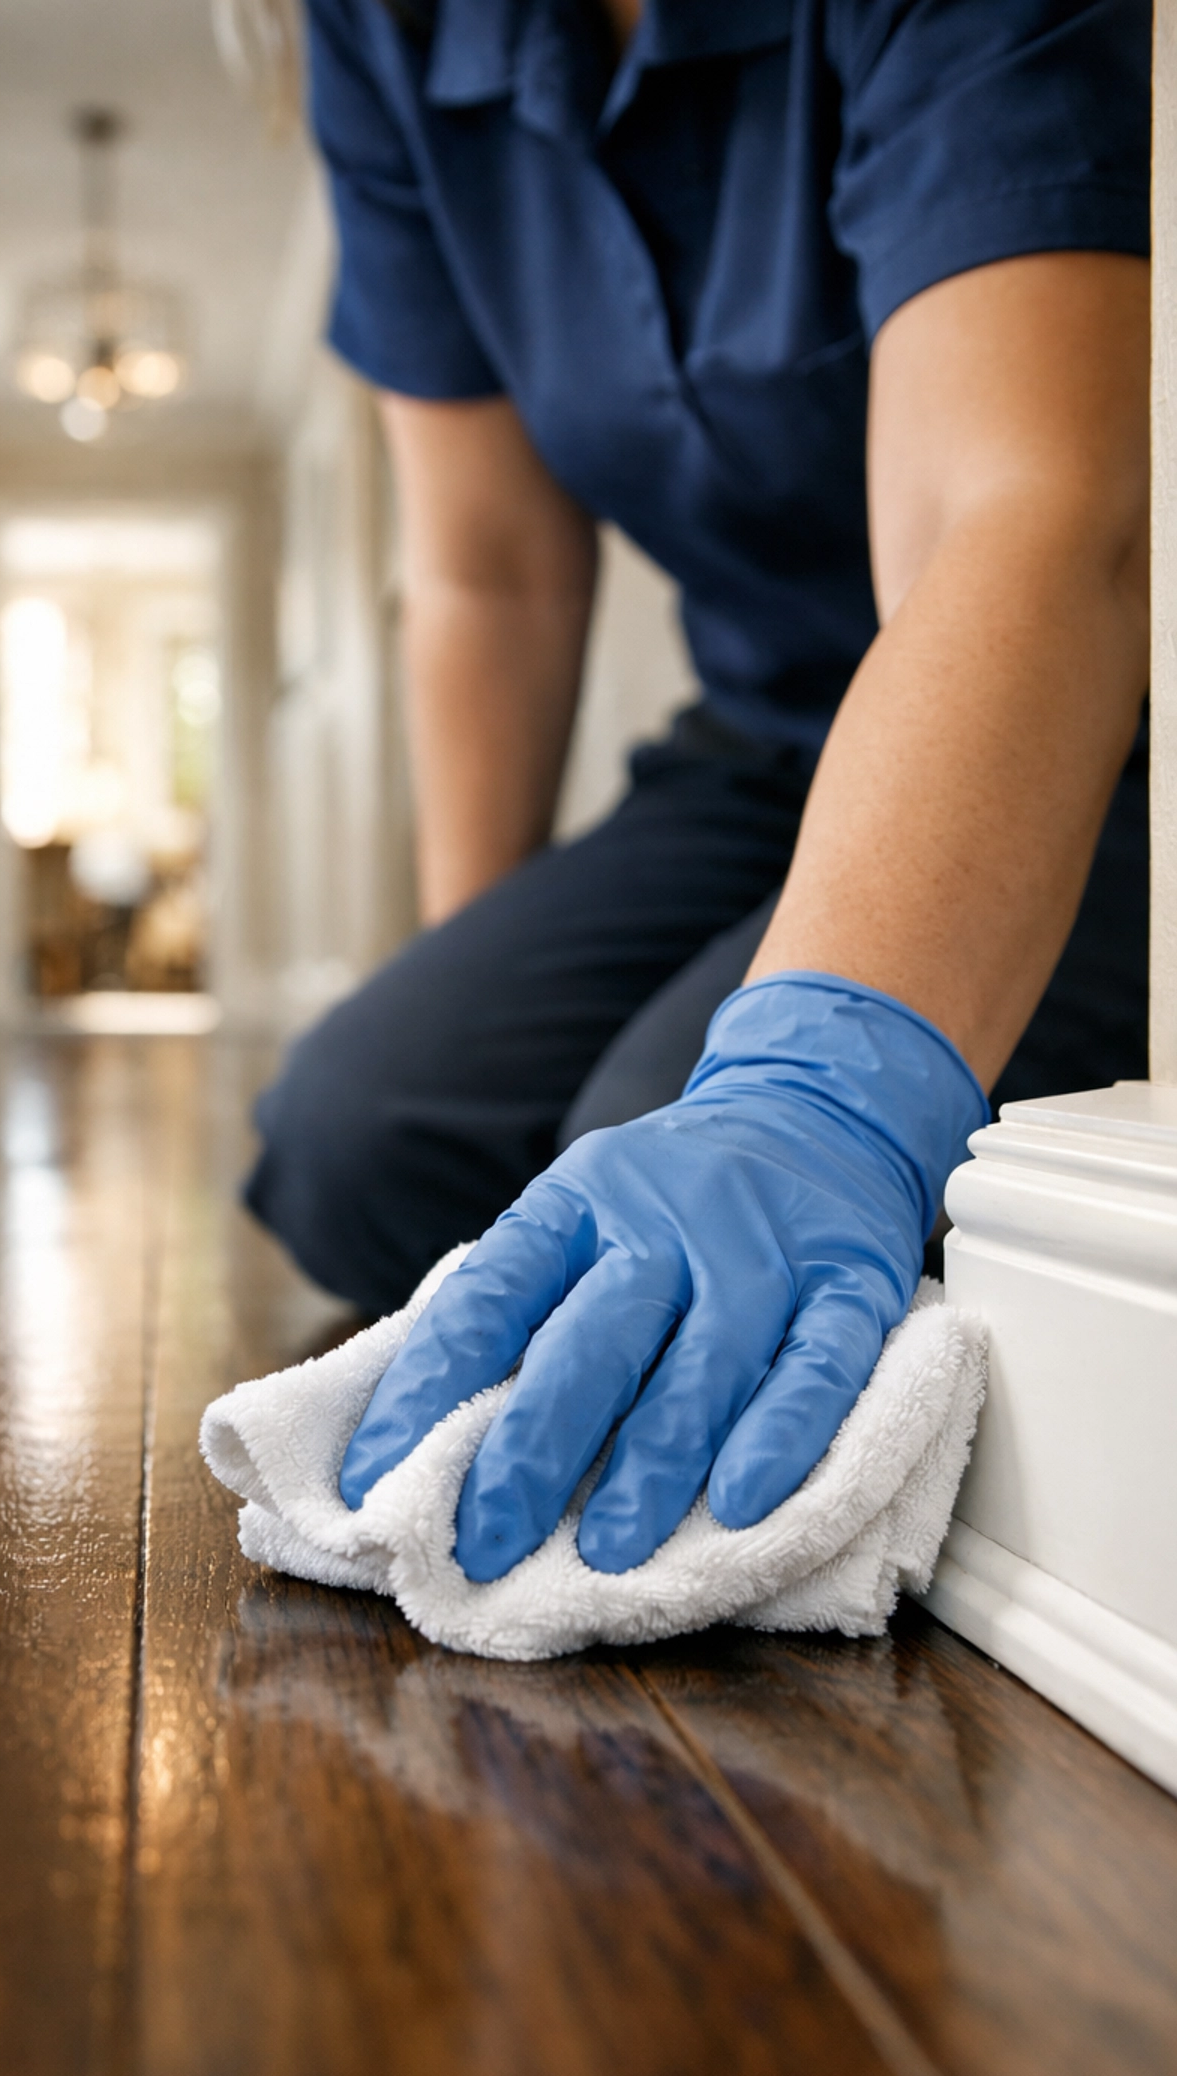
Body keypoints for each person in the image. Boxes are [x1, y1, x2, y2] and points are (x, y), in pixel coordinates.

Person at [244, 0, 1152, 1582]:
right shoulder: (381, 33)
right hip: (763, 733)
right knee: (366, 1132)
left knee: (654, 1134)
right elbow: (490, 571)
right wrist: (489, 974)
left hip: (1089, 704)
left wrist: (823, 1089)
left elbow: (1027, 507)